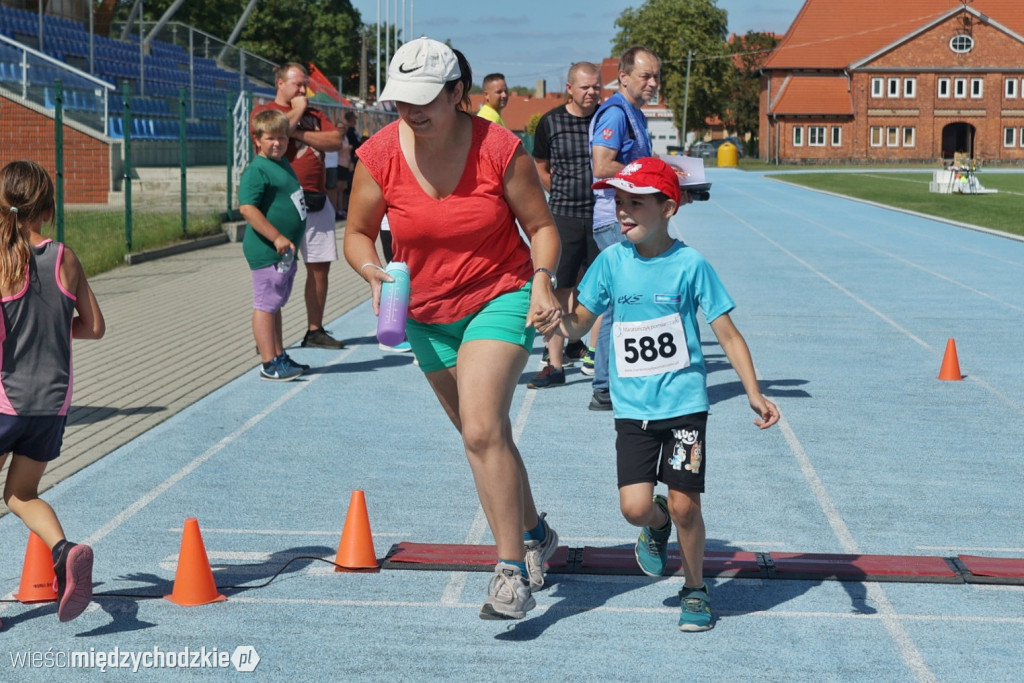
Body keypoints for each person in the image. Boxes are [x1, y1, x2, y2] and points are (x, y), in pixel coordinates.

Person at [344, 37, 562, 620]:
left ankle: (511, 571)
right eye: (401, 100)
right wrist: (371, 271)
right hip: (424, 313)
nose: (411, 112)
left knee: (482, 430)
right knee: (485, 435)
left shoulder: (499, 147)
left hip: (500, 294)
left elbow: (542, 228)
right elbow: (358, 234)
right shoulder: (380, 154)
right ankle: (537, 530)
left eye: (424, 100)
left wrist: (542, 279)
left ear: (456, 94)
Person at [538, 157, 779, 631]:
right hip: (633, 410)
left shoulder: (691, 265)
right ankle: (657, 520)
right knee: (634, 508)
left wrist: (753, 391)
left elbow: (727, 333)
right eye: (619, 203)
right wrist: (558, 323)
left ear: (668, 207)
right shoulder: (611, 262)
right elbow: (581, 323)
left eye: (635, 203)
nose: (623, 213)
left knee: (689, 503)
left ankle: (694, 588)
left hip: (686, 405)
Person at [0, 160, 105, 627]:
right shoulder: (65, 257)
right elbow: (95, 327)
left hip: (6, 398)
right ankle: (64, 551)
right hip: (53, 403)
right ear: (48, 207)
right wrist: (56, 330)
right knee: (21, 493)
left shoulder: (2, 258)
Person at [251, 62, 346, 350]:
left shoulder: (316, 115)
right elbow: (277, 129)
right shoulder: (265, 113)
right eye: (297, 84)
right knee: (276, 271)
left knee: (319, 267)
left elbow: (335, 140)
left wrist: (297, 134)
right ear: (280, 84)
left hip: (316, 201)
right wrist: (297, 113)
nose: (304, 90)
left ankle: (314, 329)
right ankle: (270, 337)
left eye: (305, 84)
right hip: (281, 204)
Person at [588, 46, 661, 411]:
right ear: (624, 78)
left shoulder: (636, 115)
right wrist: (649, 173)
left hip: (630, 217)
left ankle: (614, 380)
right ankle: (604, 386)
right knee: (623, 303)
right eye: (646, 76)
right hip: (615, 220)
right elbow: (601, 166)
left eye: (656, 76)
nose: (653, 83)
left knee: (630, 301)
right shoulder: (616, 113)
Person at [527, 61, 602, 389]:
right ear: (569, 88)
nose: (592, 92)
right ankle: (554, 364)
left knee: (603, 290)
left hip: (603, 217)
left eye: (597, 86)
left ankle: (596, 356)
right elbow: (540, 165)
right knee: (559, 291)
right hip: (565, 217)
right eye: (585, 87)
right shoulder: (551, 121)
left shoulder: (607, 118)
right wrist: (557, 192)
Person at [239, 109, 309, 382]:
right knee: (266, 304)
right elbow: (247, 208)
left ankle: (279, 354)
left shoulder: (280, 163)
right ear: (257, 140)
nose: (277, 143)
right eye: (270, 138)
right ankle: (269, 362)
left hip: (283, 253)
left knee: (275, 304)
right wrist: (277, 237)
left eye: (282, 137)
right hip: (268, 250)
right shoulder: (257, 170)